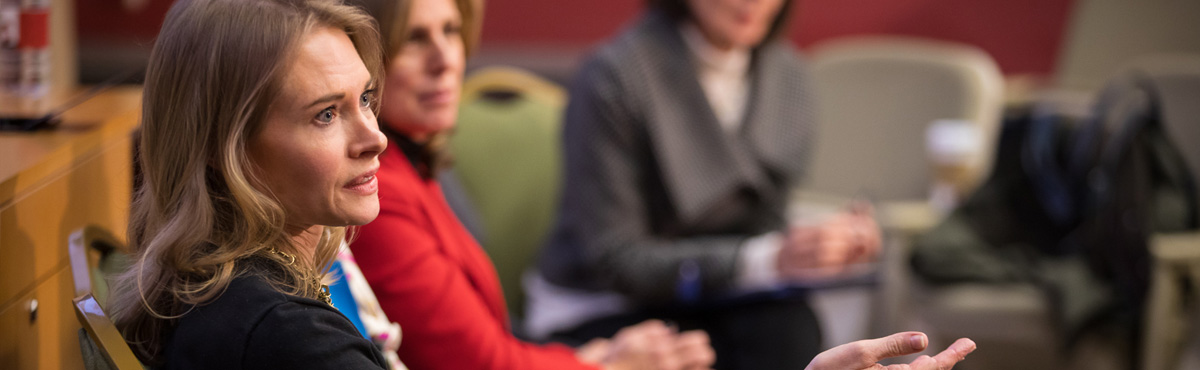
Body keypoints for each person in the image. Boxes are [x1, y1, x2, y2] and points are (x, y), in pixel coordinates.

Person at [345, 0, 715, 369]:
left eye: (451, 31)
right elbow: (479, 363)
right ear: (361, 60)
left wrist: (592, 357)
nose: (445, 60)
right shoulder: (376, 192)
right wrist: (613, 366)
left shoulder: (411, 163)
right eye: (413, 39)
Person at [528, 0, 883, 369]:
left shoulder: (787, 75)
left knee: (790, 329)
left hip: (722, 294)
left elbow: (766, 226)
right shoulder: (615, 75)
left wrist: (824, 248)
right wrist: (767, 257)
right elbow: (618, 260)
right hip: (604, 302)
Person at [106, 0, 393, 368]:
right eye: (326, 114)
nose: (375, 138)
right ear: (220, 145)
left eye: (365, 98)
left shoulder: (204, 287)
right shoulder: (289, 336)